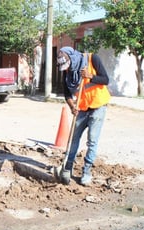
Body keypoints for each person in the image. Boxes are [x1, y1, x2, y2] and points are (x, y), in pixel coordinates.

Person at [57, 46, 111, 186]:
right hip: (81, 108)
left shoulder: (93, 59)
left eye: (68, 66)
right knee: (74, 138)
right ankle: (67, 168)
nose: (67, 70)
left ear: (72, 58)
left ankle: (86, 172)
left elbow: (105, 79)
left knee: (92, 141)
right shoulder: (67, 72)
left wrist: (91, 76)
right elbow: (67, 93)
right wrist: (72, 106)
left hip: (98, 106)